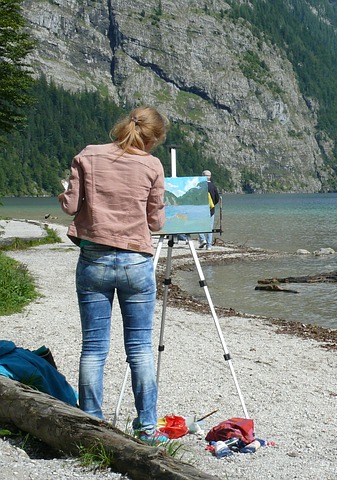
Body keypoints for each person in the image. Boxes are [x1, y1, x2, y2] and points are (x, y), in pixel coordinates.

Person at [58, 106, 169, 444]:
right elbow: (155, 223)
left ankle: (91, 425)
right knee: (140, 349)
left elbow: (70, 206)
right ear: (154, 138)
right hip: (136, 263)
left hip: (94, 261)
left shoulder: (88, 156)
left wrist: (65, 190)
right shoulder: (151, 165)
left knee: (93, 348)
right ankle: (147, 429)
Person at [198, 169, 220, 250]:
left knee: (199, 225)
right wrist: (213, 204)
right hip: (211, 209)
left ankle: (202, 239)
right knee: (209, 228)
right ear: (210, 177)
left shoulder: (200, 185)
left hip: (201, 209)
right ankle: (209, 246)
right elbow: (217, 198)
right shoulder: (213, 186)